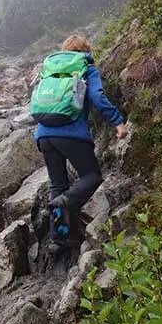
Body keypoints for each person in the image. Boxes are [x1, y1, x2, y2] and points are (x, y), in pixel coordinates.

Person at [31, 34, 128, 252]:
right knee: (92, 176)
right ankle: (67, 201)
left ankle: (59, 239)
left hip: (44, 134)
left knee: (58, 185)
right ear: (86, 51)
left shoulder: (50, 70)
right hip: (70, 133)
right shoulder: (85, 68)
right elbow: (96, 97)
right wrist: (117, 122)